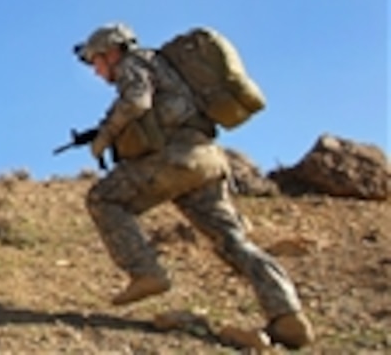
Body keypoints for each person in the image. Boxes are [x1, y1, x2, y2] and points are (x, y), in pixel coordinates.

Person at [72, 23, 315, 349]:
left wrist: (105, 136)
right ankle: (286, 315)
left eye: (97, 61)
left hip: (175, 159)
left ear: (112, 51)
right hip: (207, 160)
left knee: (103, 199)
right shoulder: (166, 67)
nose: (97, 71)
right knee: (232, 241)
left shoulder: (134, 63)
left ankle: (146, 272)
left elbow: (137, 102)